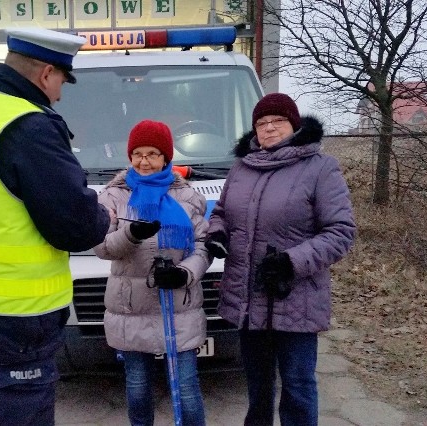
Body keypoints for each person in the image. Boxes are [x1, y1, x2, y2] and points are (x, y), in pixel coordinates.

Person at [0, 28, 112, 426]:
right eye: (63, 80)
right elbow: (76, 227)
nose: (61, 94)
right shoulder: (28, 126)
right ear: (47, 73)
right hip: (13, 326)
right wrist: (106, 213)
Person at [205, 93, 356, 425]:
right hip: (248, 298)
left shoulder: (320, 168)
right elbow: (220, 213)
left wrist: (292, 261)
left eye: (277, 121)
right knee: (258, 389)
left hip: (296, 299)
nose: (269, 128)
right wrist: (217, 233)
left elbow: (341, 231)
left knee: (298, 387)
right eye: (261, 123)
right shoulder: (242, 168)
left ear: (294, 125)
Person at [93, 119, 211, 426]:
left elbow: (203, 245)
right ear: (130, 156)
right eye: (138, 153)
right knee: (138, 387)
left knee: (186, 388)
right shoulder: (113, 197)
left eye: (153, 154)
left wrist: (185, 273)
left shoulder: (186, 196)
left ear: (166, 158)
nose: (145, 161)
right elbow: (103, 247)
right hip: (131, 308)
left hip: (179, 307)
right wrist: (130, 234)